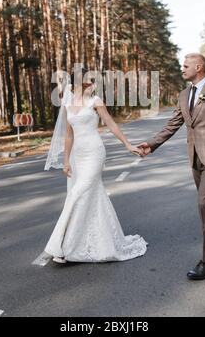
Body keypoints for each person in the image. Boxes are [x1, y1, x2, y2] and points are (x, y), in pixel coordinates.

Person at [138, 53, 205, 280]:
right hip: (195, 158)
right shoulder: (184, 94)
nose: (182, 69)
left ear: (199, 67)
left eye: (185, 66)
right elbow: (173, 123)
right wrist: (151, 144)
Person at [44, 68, 148, 264]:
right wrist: (66, 161)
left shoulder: (95, 101)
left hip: (94, 152)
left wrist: (128, 144)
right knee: (92, 196)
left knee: (77, 193)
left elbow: (111, 124)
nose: (92, 84)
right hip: (78, 156)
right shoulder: (67, 103)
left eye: (92, 81)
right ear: (78, 84)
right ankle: (97, 242)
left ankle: (63, 247)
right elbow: (68, 135)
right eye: (89, 81)